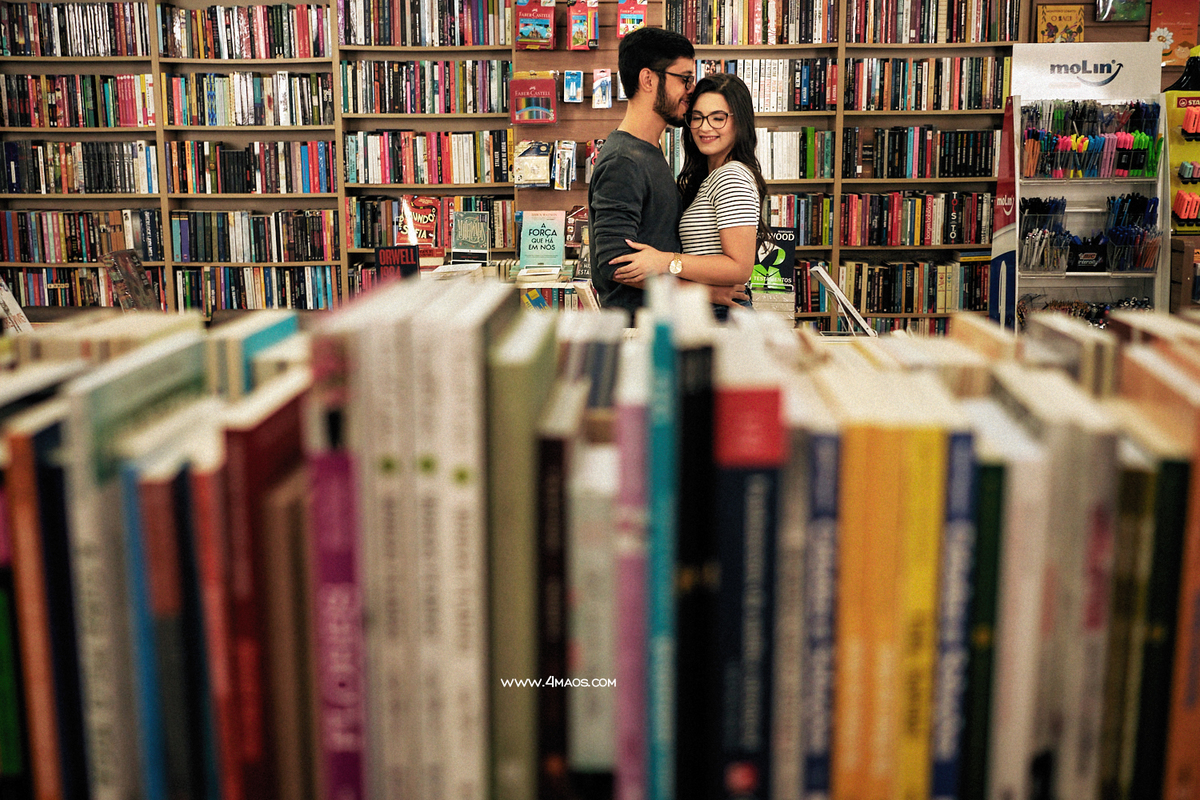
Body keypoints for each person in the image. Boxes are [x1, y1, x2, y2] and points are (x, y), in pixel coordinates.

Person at [587, 27, 747, 319]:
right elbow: (616, 264)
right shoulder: (624, 160)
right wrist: (707, 292)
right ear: (648, 79)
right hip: (640, 328)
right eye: (684, 78)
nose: (690, 89)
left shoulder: (649, 150)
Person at [611, 72, 769, 320]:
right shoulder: (707, 178)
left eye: (718, 118)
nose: (705, 127)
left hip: (722, 315)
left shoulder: (732, 175)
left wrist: (665, 261)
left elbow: (740, 267)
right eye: (697, 118)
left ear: (740, 122)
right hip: (706, 309)